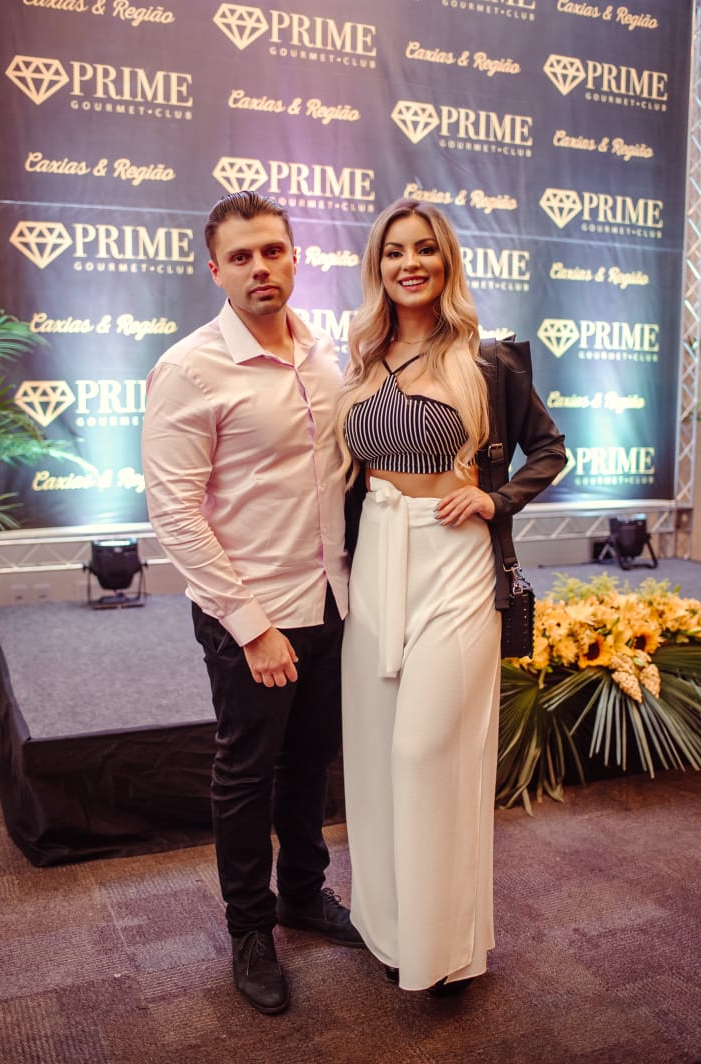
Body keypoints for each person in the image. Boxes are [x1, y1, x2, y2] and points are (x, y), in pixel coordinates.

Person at [335, 198, 566, 995]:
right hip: (376, 558)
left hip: (456, 560)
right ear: (378, 266)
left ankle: (447, 947)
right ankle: (391, 931)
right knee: (375, 756)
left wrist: (496, 500)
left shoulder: (489, 361)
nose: (410, 263)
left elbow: (550, 450)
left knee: (424, 749)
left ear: (447, 262)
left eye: (425, 249)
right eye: (395, 251)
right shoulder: (360, 359)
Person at [142, 191, 363, 1017]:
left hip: (330, 602)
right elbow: (175, 513)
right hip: (252, 616)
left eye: (272, 251)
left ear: (295, 257)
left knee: (309, 765)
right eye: (241, 257)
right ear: (215, 270)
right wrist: (253, 627)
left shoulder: (325, 355)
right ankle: (250, 930)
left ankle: (303, 893)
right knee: (244, 775)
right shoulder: (189, 368)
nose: (260, 268)